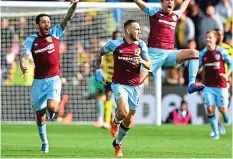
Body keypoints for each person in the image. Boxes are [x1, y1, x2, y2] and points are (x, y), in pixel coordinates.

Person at [20, 0, 79, 153]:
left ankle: (52, 108)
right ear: (38, 24)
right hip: (38, 81)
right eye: (44, 22)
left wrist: (74, 5)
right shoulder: (31, 40)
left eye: (48, 21)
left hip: (54, 78)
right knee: (39, 115)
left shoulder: (55, 33)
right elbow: (25, 54)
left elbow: (67, 19)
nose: (47, 24)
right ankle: (45, 142)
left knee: (52, 107)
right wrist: (22, 63)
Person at [95, 20, 152, 157]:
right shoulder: (115, 44)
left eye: (139, 29)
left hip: (134, 86)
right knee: (125, 111)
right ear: (128, 30)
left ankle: (117, 143)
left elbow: (149, 65)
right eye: (136, 29)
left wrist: (142, 61)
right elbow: (99, 53)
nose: (139, 31)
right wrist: (98, 70)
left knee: (129, 118)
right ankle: (115, 121)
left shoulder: (141, 45)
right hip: (118, 83)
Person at [134, 0, 205, 94]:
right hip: (154, 55)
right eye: (168, 1)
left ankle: (191, 84)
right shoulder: (154, 11)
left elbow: (183, 5)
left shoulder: (175, 15)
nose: (170, 3)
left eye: (172, 1)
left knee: (194, 53)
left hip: (169, 54)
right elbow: (138, 2)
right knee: (139, 81)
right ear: (162, 3)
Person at [199, 30, 232, 140]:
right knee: (210, 108)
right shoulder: (203, 53)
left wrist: (227, 75)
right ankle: (215, 132)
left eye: (210, 37)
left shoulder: (221, 52)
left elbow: (231, 63)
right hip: (208, 85)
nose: (208, 39)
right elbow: (197, 66)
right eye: (206, 37)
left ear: (215, 39)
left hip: (221, 85)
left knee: (222, 109)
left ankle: (224, 115)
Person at [208, 29, 233, 137]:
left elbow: (231, 64)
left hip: (225, 81)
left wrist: (230, 77)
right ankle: (215, 128)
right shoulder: (208, 50)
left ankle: (220, 123)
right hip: (211, 82)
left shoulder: (228, 49)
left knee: (223, 106)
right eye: (218, 35)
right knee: (211, 106)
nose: (220, 37)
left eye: (222, 35)